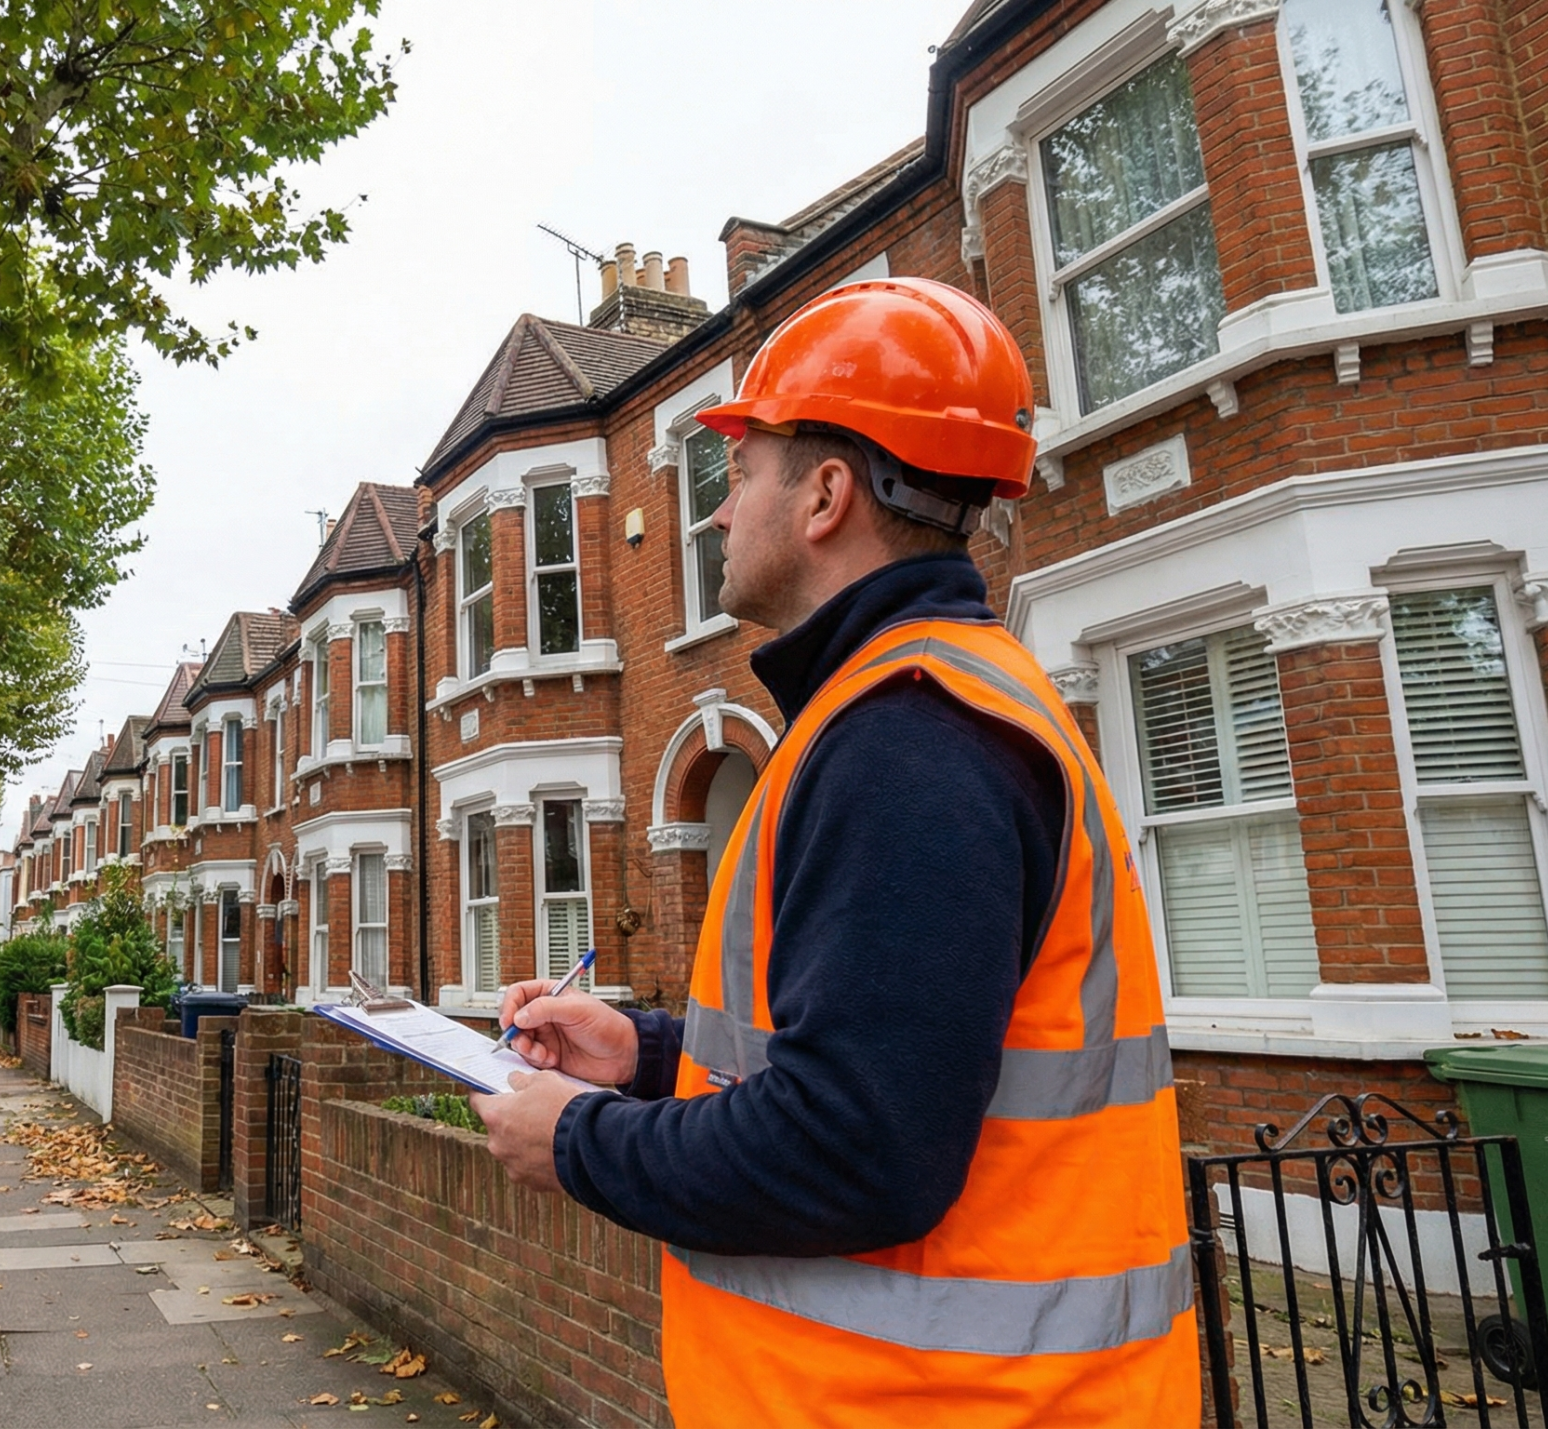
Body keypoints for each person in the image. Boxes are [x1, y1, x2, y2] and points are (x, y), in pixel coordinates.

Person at [468, 277, 1197, 1427]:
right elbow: (892, 1059)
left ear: (823, 494)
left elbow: (855, 1146)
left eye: (738, 472)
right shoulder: (903, 711)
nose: (714, 513)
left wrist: (580, 1140)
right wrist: (647, 1056)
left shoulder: (909, 736)